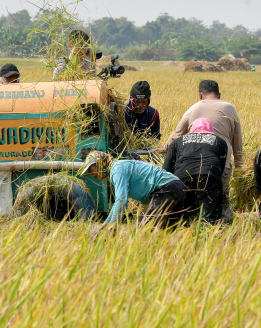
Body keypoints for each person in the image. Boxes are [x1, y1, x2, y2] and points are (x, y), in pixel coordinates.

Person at [159, 79, 243, 222]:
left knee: (189, 203)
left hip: (188, 164)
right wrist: (239, 167)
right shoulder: (230, 108)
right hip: (220, 162)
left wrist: (164, 148)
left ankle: (189, 227)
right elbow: (237, 139)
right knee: (221, 201)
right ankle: (221, 229)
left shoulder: (194, 108)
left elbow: (177, 134)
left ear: (200, 95)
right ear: (219, 95)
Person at [84, 151, 186, 238]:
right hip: (176, 186)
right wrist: (104, 226)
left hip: (166, 189)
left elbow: (121, 200)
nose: (93, 175)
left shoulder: (117, 169)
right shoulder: (118, 167)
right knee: (169, 234)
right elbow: (117, 204)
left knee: (140, 231)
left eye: (91, 169)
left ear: (99, 163)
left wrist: (113, 227)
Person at [163, 118, 228, 222]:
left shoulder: (177, 141)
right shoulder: (220, 141)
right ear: (211, 131)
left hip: (182, 177)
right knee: (210, 219)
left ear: (192, 129)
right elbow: (221, 168)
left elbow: (166, 169)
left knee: (180, 218)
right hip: (209, 176)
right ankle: (209, 233)